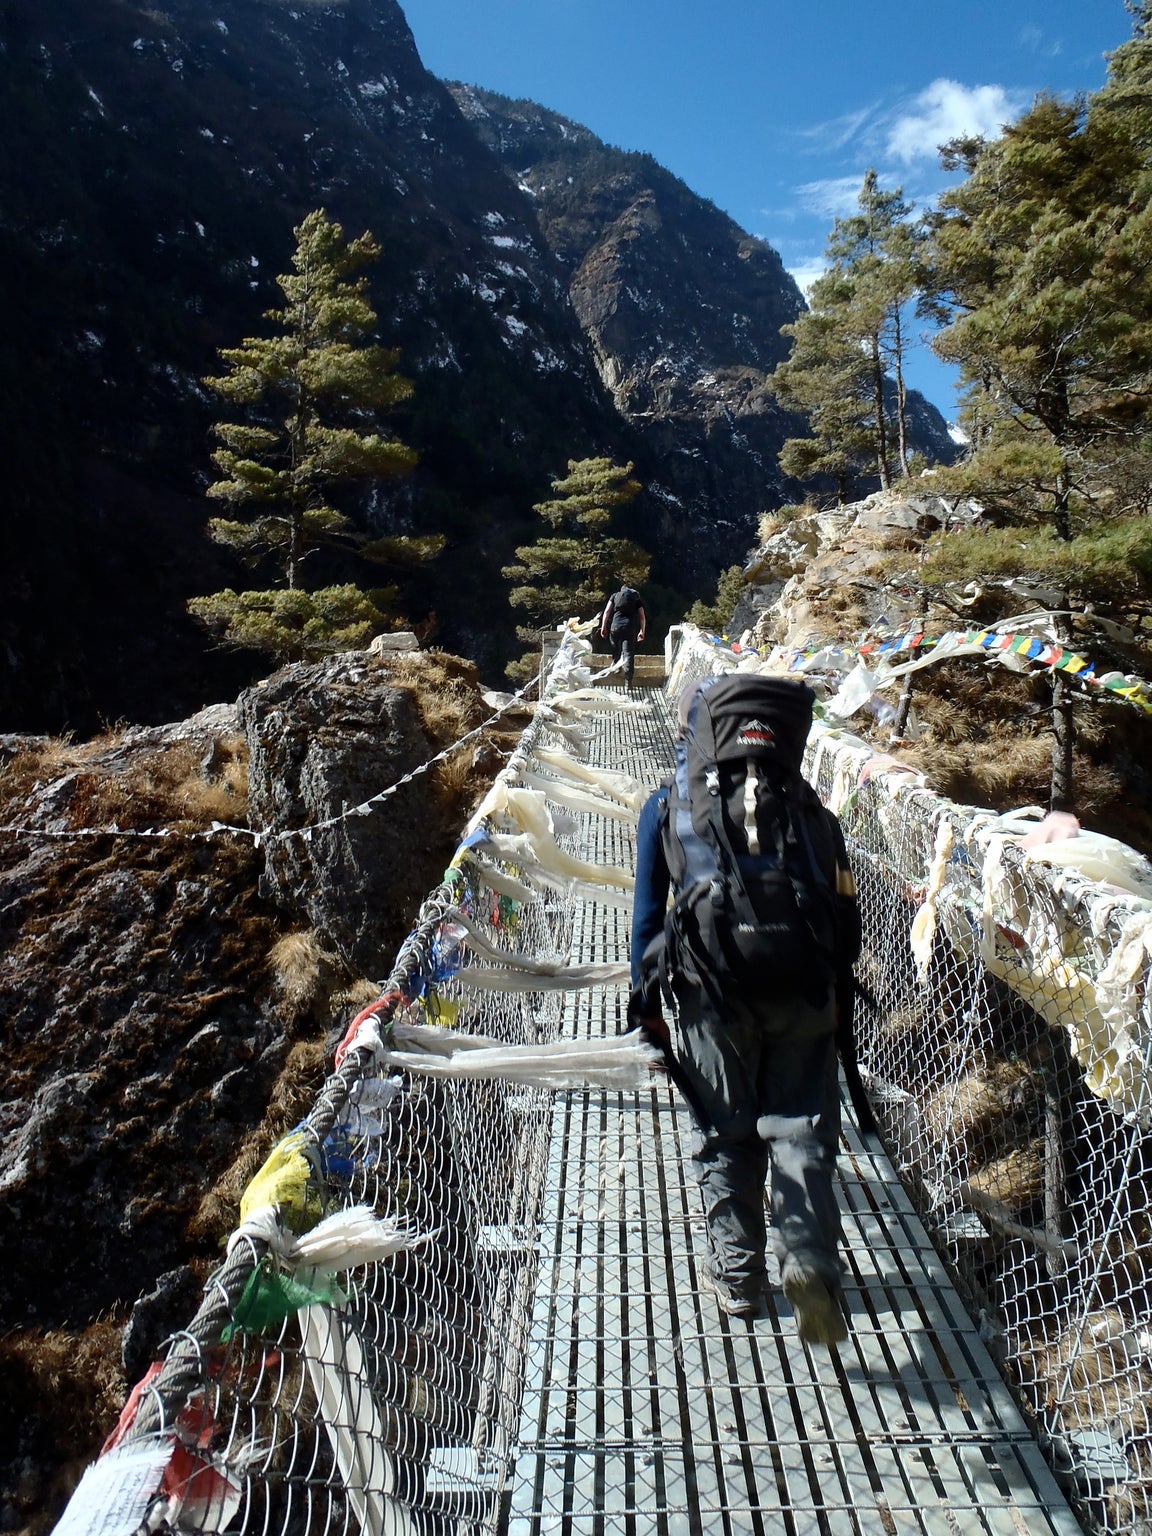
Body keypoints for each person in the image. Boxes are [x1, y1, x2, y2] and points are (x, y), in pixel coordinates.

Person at [629, 681, 860, 1344]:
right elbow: (845, 917)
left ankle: (738, 1281)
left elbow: (648, 920)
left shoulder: (667, 806)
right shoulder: (810, 809)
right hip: (805, 988)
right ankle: (809, 1260)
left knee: (725, 1132)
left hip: (708, 992)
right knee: (800, 1131)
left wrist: (645, 1008)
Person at [600, 584, 646, 685]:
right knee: (628, 652)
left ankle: (616, 665)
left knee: (615, 646)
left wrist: (603, 626)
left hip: (615, 626)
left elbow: (607, 611)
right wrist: (642, 630)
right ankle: (628, 681)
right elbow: (642, 616)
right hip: (629, 627)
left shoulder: (615, 595)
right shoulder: (636, 598)